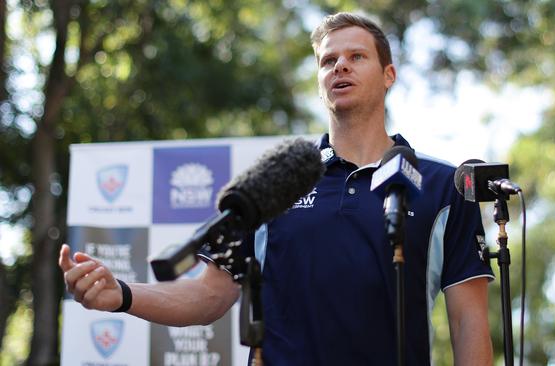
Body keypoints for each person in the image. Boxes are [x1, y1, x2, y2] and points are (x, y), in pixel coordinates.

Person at [60, 12, 494, 365]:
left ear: (388, 75)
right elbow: (209, 293)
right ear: (321, 81)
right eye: (328, 61)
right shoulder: (275, 181)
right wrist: (123, 294)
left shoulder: (443, 185)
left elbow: (468, 324)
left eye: (356, 56)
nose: (339, 66)